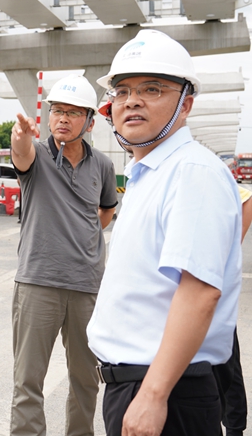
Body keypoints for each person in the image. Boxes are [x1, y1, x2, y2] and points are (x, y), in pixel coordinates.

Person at [87, 29, 242, 436]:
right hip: (141, 385)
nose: (132, 100)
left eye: (152, 89)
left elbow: (199, 291)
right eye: (122, 91)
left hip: (167, 392)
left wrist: (154, 395)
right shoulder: (151, 172)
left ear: (185, 104)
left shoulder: (192, 172)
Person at [9, 74, 118, 436]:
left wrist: (82, 238)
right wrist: (20, 136)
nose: (63, 119)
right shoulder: (37, 154)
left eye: (73, 113)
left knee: (86, 380)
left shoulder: (102, 165)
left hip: (87, 286)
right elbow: (21, 152)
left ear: (90, 121)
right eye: (57, 111)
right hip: (38, 283)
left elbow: (106, 210)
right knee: (28, 381)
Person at [212, 184, 252, 436]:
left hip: (213, 286)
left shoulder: (200, 172)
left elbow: (246, 197)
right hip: (177, 290)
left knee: (227, 362)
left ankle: (234, 428)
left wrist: (232, 246)